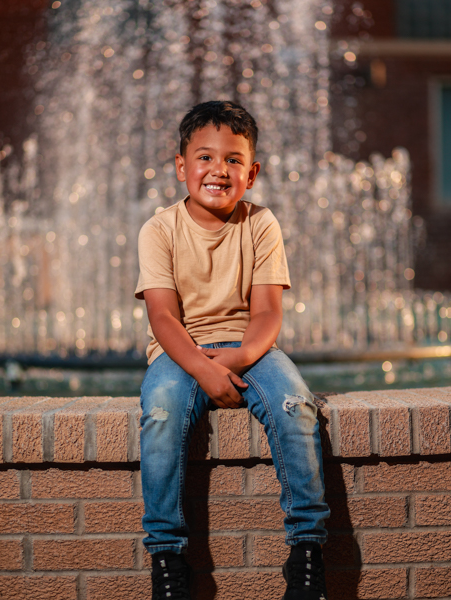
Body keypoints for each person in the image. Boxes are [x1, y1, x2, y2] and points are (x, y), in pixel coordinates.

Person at [135, 100, 330, 600]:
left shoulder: (261, 224)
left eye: (233, 160)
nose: (218, 170)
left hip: (251, 349)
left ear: (253, 171)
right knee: (160, 412)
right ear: (181, 166)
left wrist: (239, 359)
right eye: (204, 157)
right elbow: (163, 317)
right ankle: (167, 557)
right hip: (180, 353)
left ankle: (307, 552)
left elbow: (267, 313)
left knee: (297, 406)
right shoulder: (159, 230)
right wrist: (203, 369)